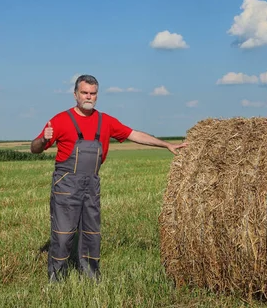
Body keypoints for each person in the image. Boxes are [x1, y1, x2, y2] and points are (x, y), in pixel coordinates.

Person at [31, 74, 187, 282]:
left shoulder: (105, 121)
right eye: (84, 92)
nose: (89, 97)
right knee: (63, 233)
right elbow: (35, 149)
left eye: (93, 93)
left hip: (92, 184)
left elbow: (134, 134)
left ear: (97, 95)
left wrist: (166, 144)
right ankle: (57, 279)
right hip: (66, 184)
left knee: (91, 233)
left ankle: (91, 277)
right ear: (75, 94)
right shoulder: (60, 120)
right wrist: (43, 139)